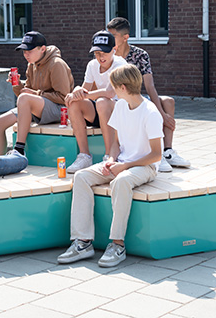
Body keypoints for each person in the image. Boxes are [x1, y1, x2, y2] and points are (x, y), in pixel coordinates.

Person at [58, 64, 163, 267]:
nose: (111, 90)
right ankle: (83, 242)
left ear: (122, 87)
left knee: (121, 182)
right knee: (81, 176)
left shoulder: (150, 113)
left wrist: (124, 167)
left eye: (113, 86)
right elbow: (115, 143)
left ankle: (117, 244)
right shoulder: (121, 106)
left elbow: (156, 154)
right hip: (122, 162)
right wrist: (112, 160)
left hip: (145, 166)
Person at [106, 17, 190, 172]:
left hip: (136, 96)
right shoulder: (107, 53)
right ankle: (158, 154)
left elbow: (150, 86)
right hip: (117, 97)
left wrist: (162, 114)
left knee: (168, 101)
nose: (109, 40)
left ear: (125, 38)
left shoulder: (140, 55)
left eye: (113, 36)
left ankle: (166, 152)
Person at [0, 31, 74, 155]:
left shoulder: (57, 64)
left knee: (25, 98)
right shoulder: (32, 65)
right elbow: (24, 97)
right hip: (38, 108)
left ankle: (19, 149)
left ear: (43, 49)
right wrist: (17, 84)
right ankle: (0, 161)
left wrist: (36, 94)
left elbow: (64, 97)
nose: (26, 54)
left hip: (60, 110)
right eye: (24, 51)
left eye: (29, 51)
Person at [65, 30, 127, 174]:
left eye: (104, 52)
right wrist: (76, 92)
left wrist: (82, 94)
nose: (100, 57)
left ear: (114, 49)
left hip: (119, 113)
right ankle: (84, 155)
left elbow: (110, 92)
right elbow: (84, 92)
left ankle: (109, 156)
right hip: (101, 113)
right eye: (97, 53)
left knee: (102, 101)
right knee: (75, 103)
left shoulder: (120, 64)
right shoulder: (92, 65)